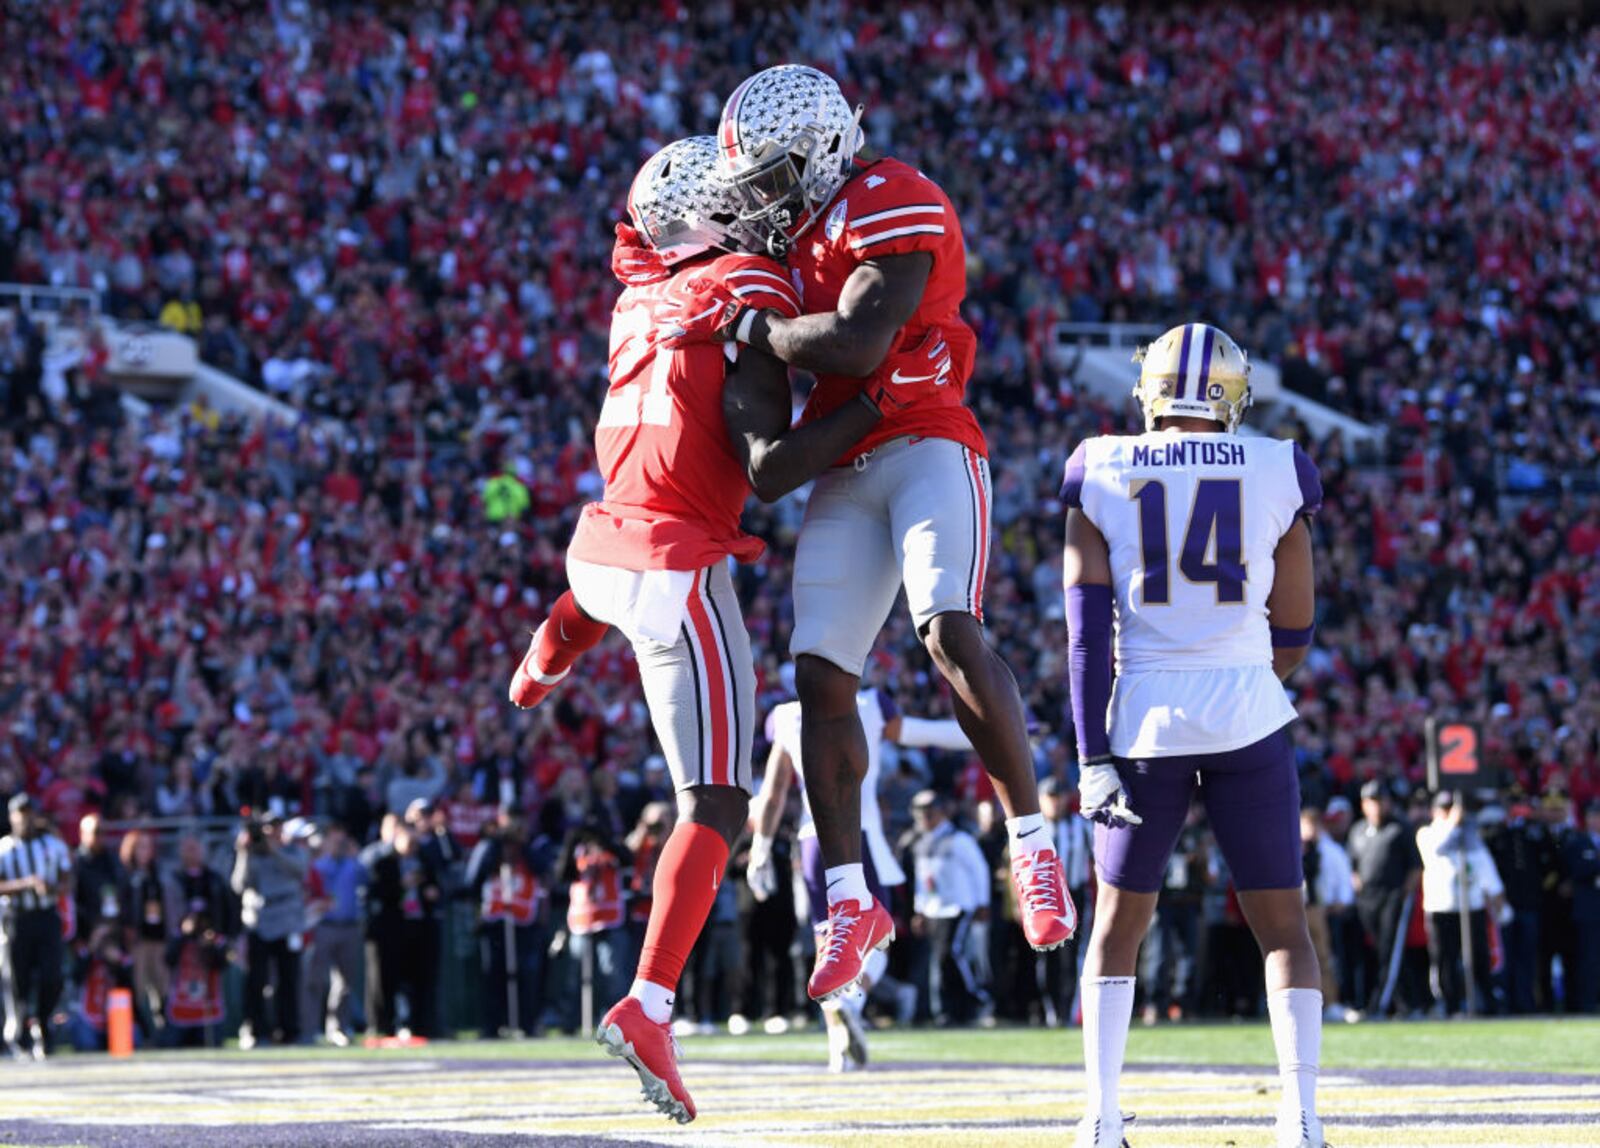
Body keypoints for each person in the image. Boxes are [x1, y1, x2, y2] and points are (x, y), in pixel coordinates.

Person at [505, 135, 894, 1124]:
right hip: (680, 564)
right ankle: (648, 999)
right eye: (738, 197)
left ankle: (544, 656)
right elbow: (791, 406)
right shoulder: (741, 276)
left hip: (598, 552)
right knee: (716, 799)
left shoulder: (634, 295)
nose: (757, 207)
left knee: (595, 607)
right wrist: (879, 400)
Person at [672, 63, 1074, 1001]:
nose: (765, 198)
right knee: (817, 674)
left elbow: (852, 345)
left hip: (930, 439)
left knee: (947, 626)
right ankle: (850, 899)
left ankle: (1032, 843)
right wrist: (759, 334)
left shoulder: (894, 196)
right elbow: (774, 465)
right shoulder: (773, 251)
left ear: (822, 151)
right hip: (852, 452)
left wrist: (762, 329)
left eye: (775, 174)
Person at [1060, 323, 1327, 1148]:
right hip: (1248, 713)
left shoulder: (1098, 464)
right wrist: (1243, 675)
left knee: (1117, 923)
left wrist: (1089, 754)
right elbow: (1296, 622)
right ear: (1231, 393)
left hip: (1143, 720)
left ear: (1151, 388)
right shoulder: (1281, 465)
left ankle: (1101, 1116)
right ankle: (1302, 1117)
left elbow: (1083, 631)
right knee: (1283, 925)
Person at [747, 681, 951, 1068]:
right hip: (858, 837)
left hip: (810, 839)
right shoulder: (869, 704)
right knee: (876, 940)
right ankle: (849, 1003)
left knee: (830, 948)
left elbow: (773, 794)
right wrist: (995, 728)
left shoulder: (788, 715)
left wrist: (761, 846)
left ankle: (838, 1052)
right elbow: (921, 732)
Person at [908, 791, 993, 1026]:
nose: (924, 818)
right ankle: (947, 1009)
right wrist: (920, 909)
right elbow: (922, 879)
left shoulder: (959, 839)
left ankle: (977, 997)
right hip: (935, 909)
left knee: (951, 955)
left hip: (958, 906)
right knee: (940, 960)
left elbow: (979, 871)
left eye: (929, 813)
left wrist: (982, 902)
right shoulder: (922, 842)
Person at [1416, 792, 1504, 1016]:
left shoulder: (1469, 837)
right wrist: (1453, 822)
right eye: (1446, 809)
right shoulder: (1427, 834)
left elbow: (1484, 865)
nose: (1451, 814)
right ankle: (1450, 1005)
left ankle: (1486, 1002)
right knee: (1446, 958)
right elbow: (1437, 849)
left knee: (1479, 957)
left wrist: (1495, 892)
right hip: (1442, 907)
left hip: (1471, 905)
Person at [465, 808, 551, 1038]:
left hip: (525, 923)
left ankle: (526, 1024)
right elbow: (472, 880)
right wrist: (495, 844)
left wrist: (521, 845)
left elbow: (544, 869)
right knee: (493, 975)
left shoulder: (533, 847)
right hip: (495, 922)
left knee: (526, 974)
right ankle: (492, 1025)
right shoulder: (491, 849)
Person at [0, 794, 72, 1059]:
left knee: (52, 974)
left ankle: (43, 1023)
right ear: (12, 817)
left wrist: (50, 886)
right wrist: (26, 883)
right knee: (16, 979)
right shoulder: (4, 848)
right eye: (20, 813)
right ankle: (18, 1033)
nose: (25, 818)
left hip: (46, 916)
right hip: (17, 919)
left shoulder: (52, 845)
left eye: (29, 812)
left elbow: (67, 881)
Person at [1346, 780, 1423, 1018]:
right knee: (1380, 952)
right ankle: (1407, 1002)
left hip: (1392, 896)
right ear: (1364, 804)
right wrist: (1356, 882)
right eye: (1373, 801)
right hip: (1367, 899)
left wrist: (1404, 895)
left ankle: (1380, 1004)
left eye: (1382, 800)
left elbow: (1415, 867)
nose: (1378, 806)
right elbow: (1353, 864)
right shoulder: (1358, 830)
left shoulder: (1400, 828)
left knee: (1391, 949)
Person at [231, 812, 307, 1047]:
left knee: (288, 979)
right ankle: (255, 1029)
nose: (272, 833)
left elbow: (301, 871)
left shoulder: (292, 851)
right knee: (256, 979)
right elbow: (239, 885)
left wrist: (274, 851)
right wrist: (244, 853)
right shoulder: (252, 854)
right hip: (260, 921)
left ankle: (288, 1030)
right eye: (268, 829)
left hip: (287, 922)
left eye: (276, 828)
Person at [163, 833, 233, 1046]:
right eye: (188, 848)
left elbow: (225, 913)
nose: (192, 853)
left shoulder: (214, 880)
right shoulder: (174, 880)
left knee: (212, 998)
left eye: (196, 848)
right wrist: (184, 929)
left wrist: (213, 935)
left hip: (209, 951)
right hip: (182, 949)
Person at [303, 824, 365, 1046]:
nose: (339, 843)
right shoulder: (318, 865)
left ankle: (339, 1027)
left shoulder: (353, 865)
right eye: (335, 839)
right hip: (324, 926)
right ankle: (309, 1030)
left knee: (346, 982)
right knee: (315, 981)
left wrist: (355, 855)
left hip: (349, 926)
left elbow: (366, 878)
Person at [1300, 808, 1355, 1022]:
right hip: (1297, 908)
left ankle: (1330, 1001)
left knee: (1323, 958)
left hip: (1319, 909)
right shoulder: (1297, 849)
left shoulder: (1326, 850)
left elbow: (1339, 879)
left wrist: (1340, 901)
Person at [118, 829, 170, 1042]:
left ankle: (163, 1031)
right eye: (140, 846)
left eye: (148, 846)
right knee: (138, 986)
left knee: (161, 983)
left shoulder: (158, 874)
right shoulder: (125, 875)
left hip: (157, 937)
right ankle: (142, 1032)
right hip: (137, 940)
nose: (145, 851)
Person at [1565, 800, 1600, 1013]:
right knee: (1589, 959)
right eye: (1592, 816)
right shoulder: (1577, 842)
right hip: (1589, 911)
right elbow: (1578, 870)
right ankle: (1587, 1003)